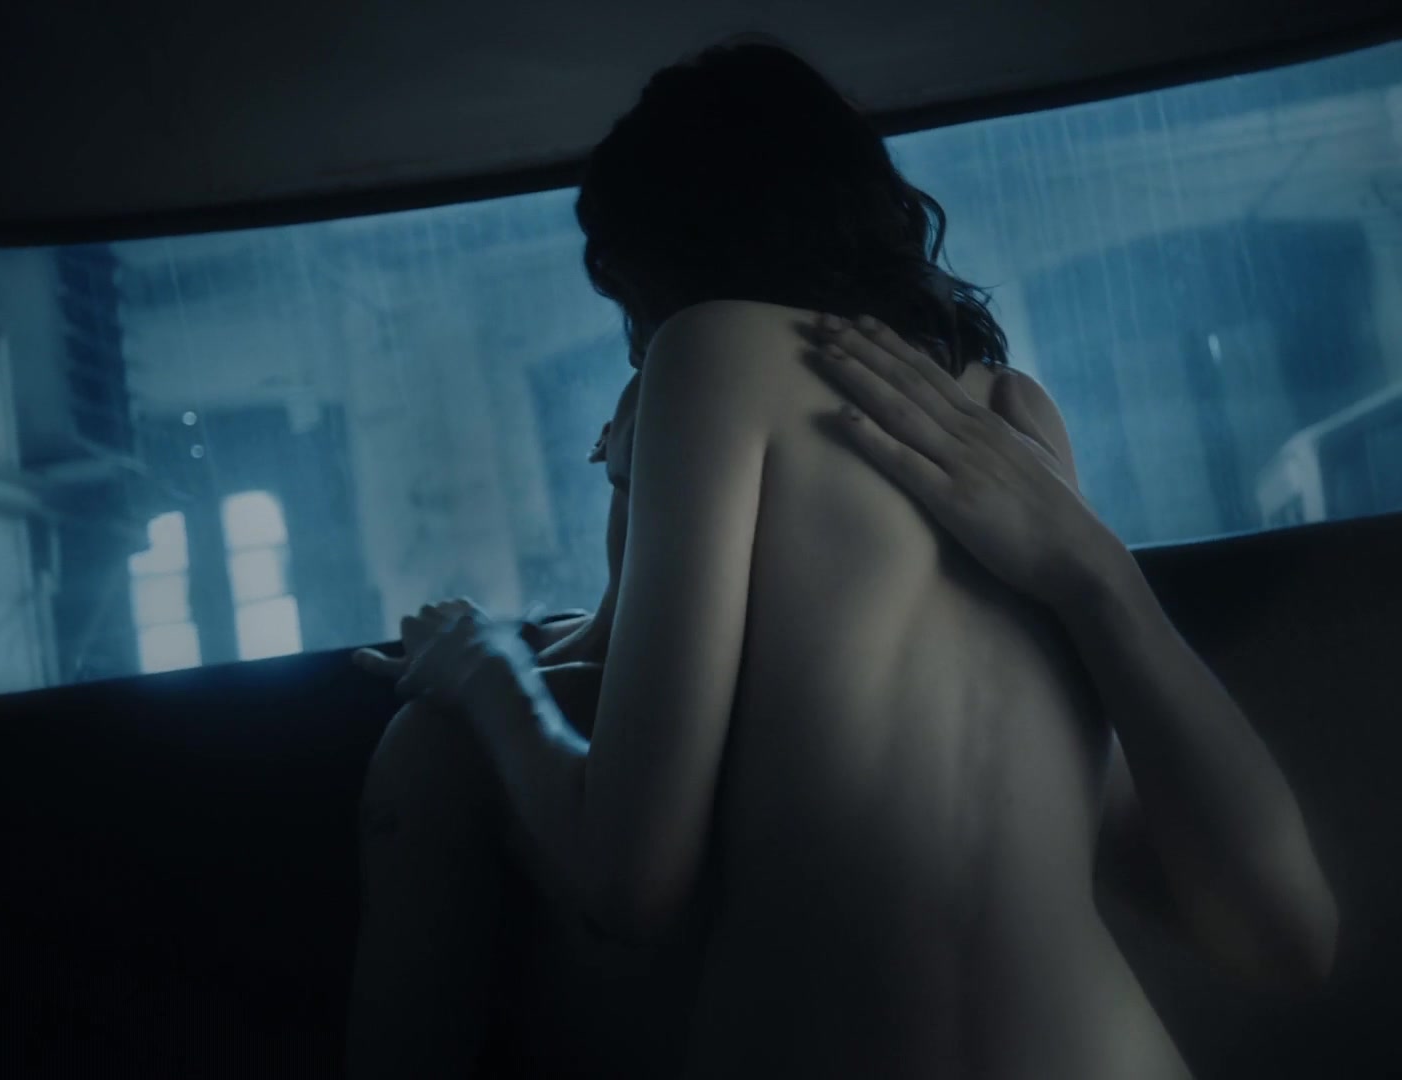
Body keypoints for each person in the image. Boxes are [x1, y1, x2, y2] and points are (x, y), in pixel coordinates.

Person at [350, 35, 1336, 1080]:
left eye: (631, 307)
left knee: (424, 746)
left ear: (663, 268)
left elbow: (629, 877)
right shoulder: (1010, 415)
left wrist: (486, 670)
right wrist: (1102, 575)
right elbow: (1290, 942)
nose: (635, 350)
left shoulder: (708, 352)